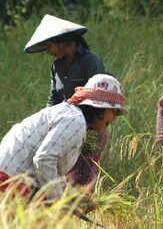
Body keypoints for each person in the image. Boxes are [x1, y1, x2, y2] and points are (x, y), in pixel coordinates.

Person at [0, 74, 127, 207]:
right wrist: (59, 202)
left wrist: (73, 196)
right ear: (99, 108)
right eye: (113, 111)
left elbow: (52, 169)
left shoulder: (72, 117)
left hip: (10, 174)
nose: (114, 118)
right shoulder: (75, 121)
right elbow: (44, 159)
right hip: (12, 179)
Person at [24, 14, 106, 191]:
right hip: (65, 126)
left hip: (90, 127)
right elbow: (54, 98)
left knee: (84, 177)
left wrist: (87, 124)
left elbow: (99, 96)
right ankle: (64, 208)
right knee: (64, 173)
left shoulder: (91, 60)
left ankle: (80, 206)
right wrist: (45, 123)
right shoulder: (56, 66)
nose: (48, 51)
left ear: (62, 41)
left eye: (49, 46)